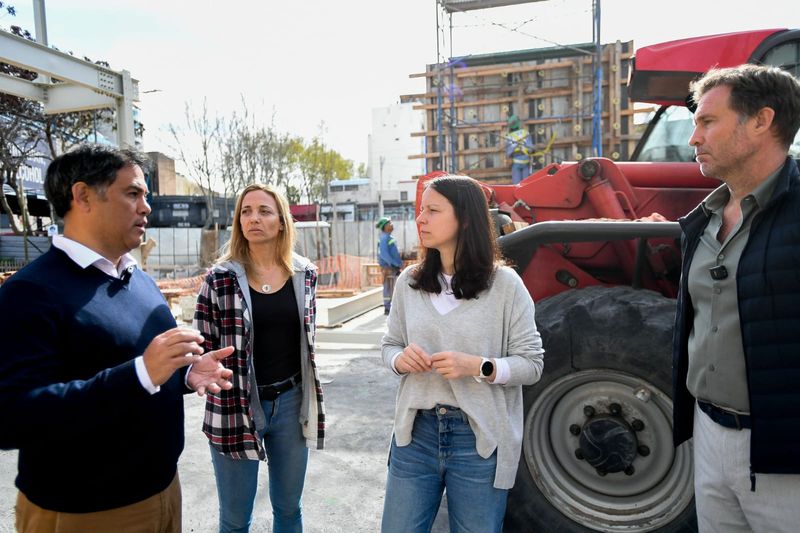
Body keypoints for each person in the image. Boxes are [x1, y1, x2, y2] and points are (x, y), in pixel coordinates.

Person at [0, 144, 234, 532]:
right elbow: (11, 417)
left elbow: (141, 371)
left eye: (146, 196)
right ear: (83, 196)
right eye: (133, 193)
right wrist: (141, 372)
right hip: (87, 512)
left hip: (162, 494)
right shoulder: (29, 293)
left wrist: (185, 377)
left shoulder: (138, 279)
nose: (146, 208)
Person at [672, 64, 800, 532]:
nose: (694, 138)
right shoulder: (700, 222)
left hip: (782, 450)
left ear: (762, 121)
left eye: (707, 122)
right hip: (708, 435)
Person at [380, 175, 545, 533]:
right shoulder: (410, 282)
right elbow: (389, 345)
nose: (420, 219)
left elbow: (532, 364)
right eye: (421, 210)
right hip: (415, 434)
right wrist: (399, 359)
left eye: (433, 211)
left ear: (466, 219)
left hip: (479, 438)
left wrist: (480, 367)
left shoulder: (505, 285)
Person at [193, 183, 326, 533]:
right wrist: (201, 370)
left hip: (291, 402)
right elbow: (201, 348)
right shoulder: (219, 280)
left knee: (288, 509)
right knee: (236, 519)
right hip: (234, 405)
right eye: (246, 211)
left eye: (264, 211)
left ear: (282, 221)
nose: (253, 218)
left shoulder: (304, 275)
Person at [376, 216, 403, 315]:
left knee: (392, 287)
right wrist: (394, 263)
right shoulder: (384, 238)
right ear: (385, 226)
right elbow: (384, 254)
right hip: (388, 267)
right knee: (388, 287)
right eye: (389, 223)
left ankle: (391, 307)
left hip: (392, 267)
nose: (392, 225)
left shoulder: (388, 237)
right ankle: (387, 307)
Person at [505, 114, 534, 185]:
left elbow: (508, 153)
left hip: (516, 162)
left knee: (516, 185)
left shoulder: (509, 137)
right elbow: (531, 149)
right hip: (526, 161)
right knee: (526, 184)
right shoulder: (525, 133)